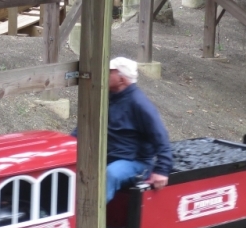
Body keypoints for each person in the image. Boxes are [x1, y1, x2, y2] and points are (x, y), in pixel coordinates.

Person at [71, 57, 173, 202]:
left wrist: (162, 170)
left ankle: (91, 212)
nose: (103, 75)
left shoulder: (140, 104)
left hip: (134, 161)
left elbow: (161, 138)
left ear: (121, 79)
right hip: (107, 156)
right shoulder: (106, 98)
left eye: (109, 72)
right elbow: (86, 126)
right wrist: (68, 146)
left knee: (111, 173)